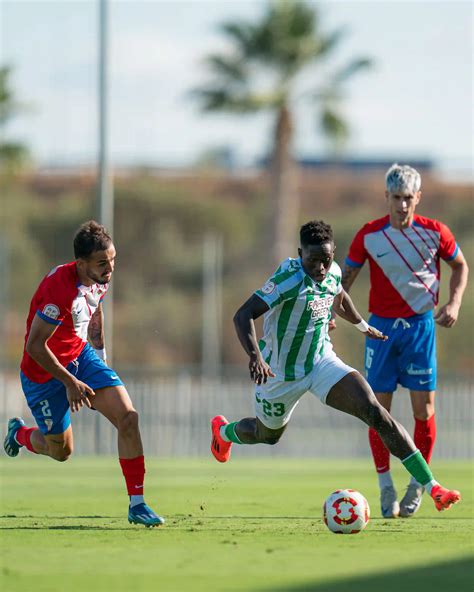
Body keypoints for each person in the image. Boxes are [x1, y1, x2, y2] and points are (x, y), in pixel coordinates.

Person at [210, 219, 461, 515]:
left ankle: (432, 487)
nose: (319, 268)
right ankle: (224, 433)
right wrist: (255, 356)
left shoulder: (333, 273)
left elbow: (339, 296)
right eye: (312, 260)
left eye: (325, 260)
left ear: (333, 254)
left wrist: (362, 325)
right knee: (268, 436)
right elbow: (243, 315)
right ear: (300, 253)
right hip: (279, 372)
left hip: (320, 361)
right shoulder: (287, 279)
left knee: (375, 412)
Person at [3, 220, 164, 527]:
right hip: (43, 373)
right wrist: (70, 382)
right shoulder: (57, 290)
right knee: (61, 451)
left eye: (113, 259)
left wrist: (100, 358)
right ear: (80, 263)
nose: (111, 268)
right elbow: (35, 346)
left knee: (128, 418)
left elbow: (94, 307)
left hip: (80, 357)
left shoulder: (98, 276)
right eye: (103, 262)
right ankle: (20, 434)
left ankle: (138, 504)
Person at [342, 164, 468, 518]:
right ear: (386, 197)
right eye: (396, 198)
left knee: (423, 410)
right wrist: (334, 316)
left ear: (418, 198)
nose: (401, 205)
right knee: (376, 411)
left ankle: (418, 484)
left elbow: (461, 265)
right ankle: (385, 486)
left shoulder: (435, 232)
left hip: (420, 329)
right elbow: (343, 281)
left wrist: (454, 302)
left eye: (408, 198)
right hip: (380, 330)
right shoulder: (369, 235)